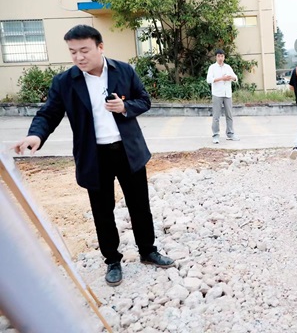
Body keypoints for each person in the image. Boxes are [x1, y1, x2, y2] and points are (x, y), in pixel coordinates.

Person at [13, 25, 174, 287]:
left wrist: (125, 106)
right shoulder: (65, 82)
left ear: (100, 47)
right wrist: (36, 136)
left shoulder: (124, 70)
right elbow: (48, 114)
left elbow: (144, 100)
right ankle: (112, 260)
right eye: (72, 52)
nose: (78, 57)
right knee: (102, 211)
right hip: (94, 155)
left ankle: (148, 251)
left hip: (128, 151)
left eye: (84, 50)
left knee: (140, 205)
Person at [206, 49, 239, 143]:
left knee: (229, 115)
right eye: (218, 56)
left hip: (227, 94)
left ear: (224, 57)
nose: (220, 58)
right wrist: (222, 78)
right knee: (216, 116)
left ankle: (230, 133)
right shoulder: (212, 67)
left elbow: (236, 78)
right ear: (216, 57)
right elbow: (209, 80)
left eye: (222, 56)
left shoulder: (228, 67)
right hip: (217, 94)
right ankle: (215, 135)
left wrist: (231, 78)